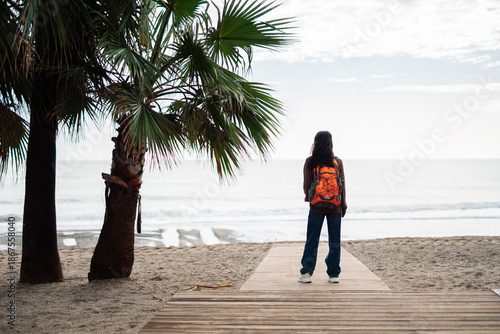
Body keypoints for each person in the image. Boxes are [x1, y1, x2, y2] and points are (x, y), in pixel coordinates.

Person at [299, 131, 347, 283]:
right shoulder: (337, 162)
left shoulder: (310, 161)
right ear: (331, 143)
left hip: (316, 206)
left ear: (315, 143)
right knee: (334, 241)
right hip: (335, 206)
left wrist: (311, 199)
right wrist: (343, 204)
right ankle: (334, 274)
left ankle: (307, 272)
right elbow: (342, 185)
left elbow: (306, 185)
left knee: (312, 239)